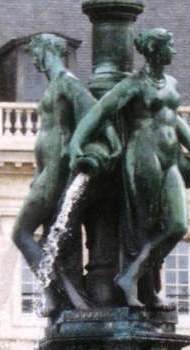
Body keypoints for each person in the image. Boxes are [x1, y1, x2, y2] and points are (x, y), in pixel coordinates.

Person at [69, 28, 190, 309]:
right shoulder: (134, 84)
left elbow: (176, 121)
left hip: (170, 157)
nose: (175, 51)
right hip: (143, 155)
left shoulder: (171, 82)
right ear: (155, 49)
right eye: (170, 46)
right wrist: (76, 143)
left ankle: (131, 275)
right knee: (143, 227)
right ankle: (143, 290)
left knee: (177, 224)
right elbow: (100, 111)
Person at [12, 33, 122, 315]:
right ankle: (64, 295)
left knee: (21, 232)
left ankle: (53, 292)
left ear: (46, 50)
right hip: (46, 173)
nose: (33, 58)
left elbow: (99, 119)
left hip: (55, 174)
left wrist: (103, 149)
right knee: (43, 238)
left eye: (35, 52)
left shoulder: (68, 83)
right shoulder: (56, 85)